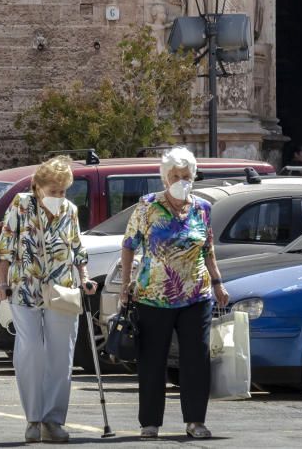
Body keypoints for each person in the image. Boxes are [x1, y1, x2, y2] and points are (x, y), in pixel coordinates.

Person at [119, 146, 229, 440]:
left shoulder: (202, 208)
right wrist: (125, 284)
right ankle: (150, 422)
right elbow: (129, 245)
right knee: (152, 360)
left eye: (186, 175)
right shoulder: (147, 206)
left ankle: (195, 421)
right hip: (154, 296)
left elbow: (208, 250)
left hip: (196, 295)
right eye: (175, 175)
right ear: (165, 178)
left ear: (193, 176)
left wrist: (218, 283)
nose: (181, 180)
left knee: (196, 360)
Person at [0, 155, 97, 444]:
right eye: (54, 191)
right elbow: (5, 249)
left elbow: (77, 249)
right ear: (38, 187)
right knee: (31, 352)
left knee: (61, 355)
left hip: (61, 290)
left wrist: (85, 278)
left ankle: (53, 421)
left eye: (63, 191)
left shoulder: (70, 211)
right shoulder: (21, 205)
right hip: (24, 288)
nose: (59, 197)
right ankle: (33, 418)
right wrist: (1, 282)